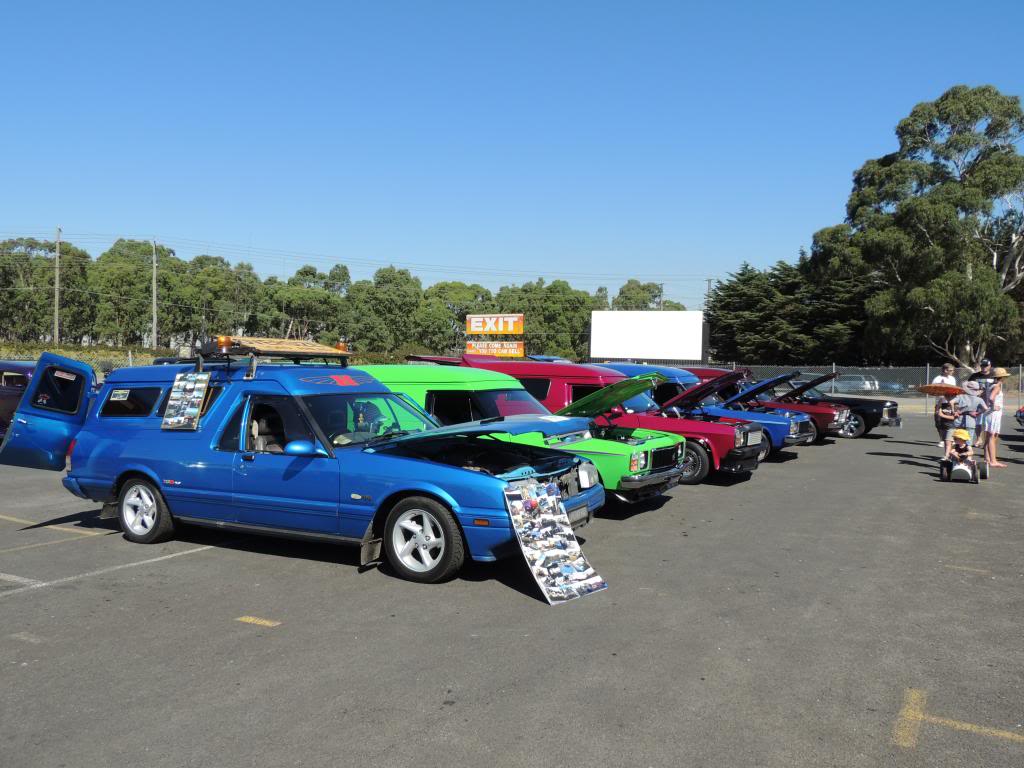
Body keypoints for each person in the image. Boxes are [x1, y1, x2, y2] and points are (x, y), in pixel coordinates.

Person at [982, 367, 1011, 468]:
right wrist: (994, 405)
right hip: (993, 413)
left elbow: (985, 396)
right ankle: (993, 461)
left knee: (988, 437)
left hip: (988, 413)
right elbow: (991, 398)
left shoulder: (991, 385)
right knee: (991, 437)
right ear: (1001, 377)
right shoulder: (997, 386)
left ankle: (987, 459)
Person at [952, 380, 988, 446]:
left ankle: (956, 454)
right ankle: (968, 455)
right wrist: (978, 413)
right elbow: (985, 409)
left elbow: (951, 402)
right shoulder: (979, 399)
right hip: (971, 421)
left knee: (957, 440)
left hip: (959, 420)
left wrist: (953, 411)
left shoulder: (960, 397)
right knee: (968, 441)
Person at [931, 362, 957, 447]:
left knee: (951, 422)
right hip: (940, 403)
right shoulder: (937, 379)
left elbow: (954, 390)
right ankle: (942, 440)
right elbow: (933, 390)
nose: (952, 372)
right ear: (945, 370)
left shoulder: (952, 379)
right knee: (939, 422)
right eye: (950, 370)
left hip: (950, 403)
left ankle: (950, 439)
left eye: (953, 370)